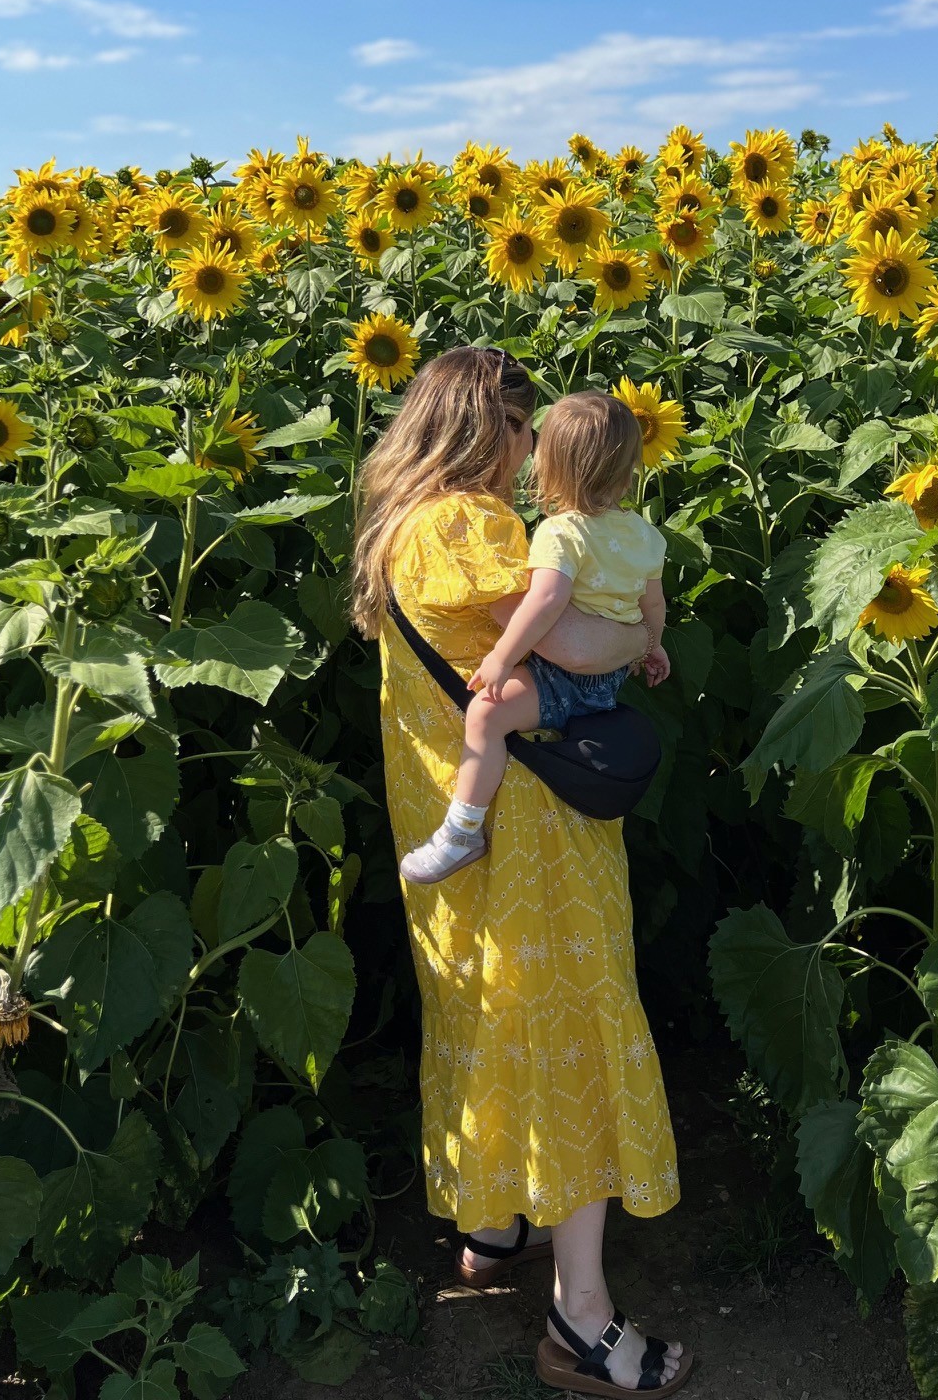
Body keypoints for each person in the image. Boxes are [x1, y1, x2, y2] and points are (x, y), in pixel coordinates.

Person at [352, 347, 693, 1394]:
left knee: (484, 1011)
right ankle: (581, 1320)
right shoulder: (469, 523)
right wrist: (639, 625)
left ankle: (494, 1223)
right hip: (530, 837)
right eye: (522, 429)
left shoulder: (405, 526)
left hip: (453, 821)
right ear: (486, 428)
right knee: (566, 1023)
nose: (531, 452)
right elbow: (574, 642)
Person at [398, 388, 671, 886]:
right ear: (629, 469)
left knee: (485, 714)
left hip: (562, 677)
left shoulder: (561, 533)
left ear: (551, 467)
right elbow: (653, 605)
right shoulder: (647, 536)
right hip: (610, 678)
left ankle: (462, 831)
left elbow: (544, 603)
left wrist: (503, 658)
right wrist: (653, 647)